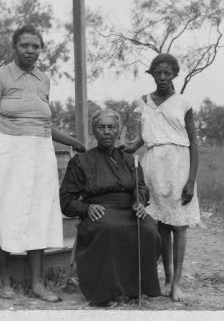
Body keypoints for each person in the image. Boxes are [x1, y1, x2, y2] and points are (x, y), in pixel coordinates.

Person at [0, 24, 86, 302]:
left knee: (38, 214)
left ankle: (37, 284)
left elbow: (43, 122)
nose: (30, 51)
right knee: (5, 213)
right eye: (25, 45)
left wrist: (72, 142)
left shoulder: (44, 80)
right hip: (7, 152)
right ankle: (5, 281)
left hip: (40, 153)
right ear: (14, 47)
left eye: (36, 46)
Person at [59, 109, 162, 306]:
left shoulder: (130, 159)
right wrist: (86, 208)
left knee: (149, 230)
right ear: (94, 132)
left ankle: (136, 289)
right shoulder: (80, 161)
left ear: (119, 131)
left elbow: (140, 186)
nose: (106, 131)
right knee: (111, 229)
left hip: (129, 210)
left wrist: (139, 202)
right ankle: (107, 291)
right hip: (100, 210)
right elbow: (66, 200)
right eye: (101, 127)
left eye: (111, 127)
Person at [122, 53, 200, 302]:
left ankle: (177, 283)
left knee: (179, 224)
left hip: (179, 165)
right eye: (159, 73)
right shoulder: (144, 102)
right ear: (152, 74)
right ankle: (166, 279)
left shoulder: (183, 103)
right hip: (154, 165)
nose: (163, 77)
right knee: (162, 226)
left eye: (168, 73)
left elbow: (194, 144)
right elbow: (145, 136)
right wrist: (130, 147)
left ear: (175, 75)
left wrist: (190, 181)